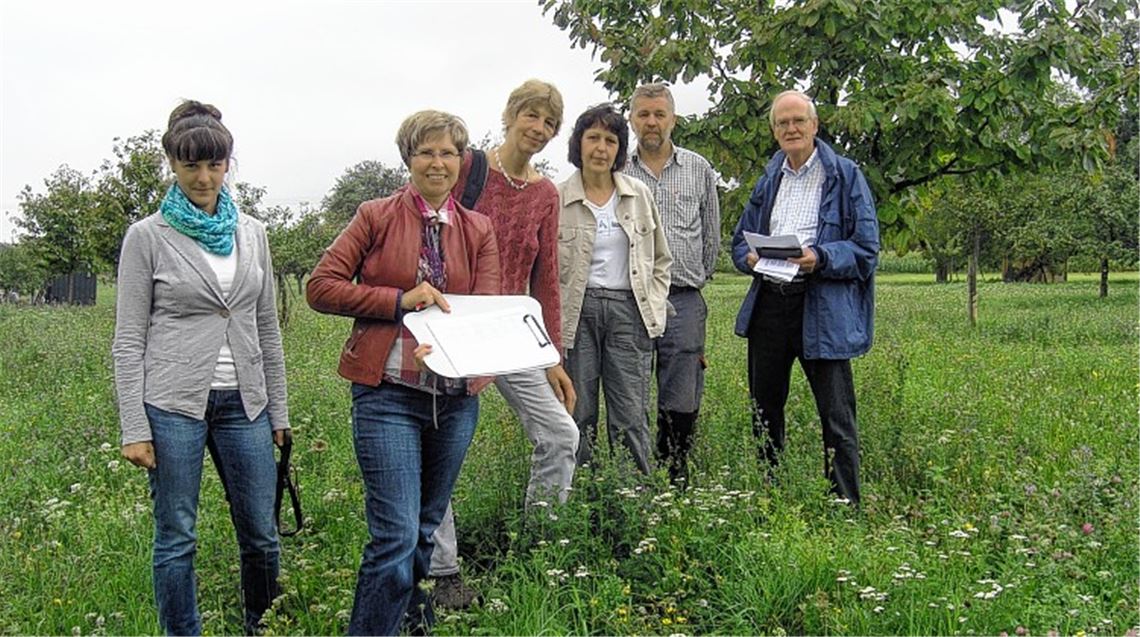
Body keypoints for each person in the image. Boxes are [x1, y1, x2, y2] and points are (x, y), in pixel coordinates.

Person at [306, 110, 499, 636]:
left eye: (448, 153)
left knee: (422, 531)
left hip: (455, 399)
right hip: (389, 395)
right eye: (426, 152)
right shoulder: (374, 215)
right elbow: (320, 287)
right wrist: (398, 302)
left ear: (462, 161)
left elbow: (484, 309)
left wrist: (455, 349)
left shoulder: (479, 229)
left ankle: (411, 626)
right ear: (408, 160)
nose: (438, 163)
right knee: (393, 538)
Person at [112, 100, 290, 636]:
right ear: (172, 164)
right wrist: (133, 426)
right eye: (191, 166)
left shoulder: (252, 233)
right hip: (172, 405)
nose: (204, 177)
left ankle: (262, 625)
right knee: (177, 535)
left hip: (246, 403)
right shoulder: (148, 236)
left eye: (215, 165)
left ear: (228, 165)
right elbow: (126, 338)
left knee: (261, 532)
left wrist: (278, 409)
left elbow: (267, 328)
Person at [427, 79, 578, 610]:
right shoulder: (470, 168)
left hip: (510, 330)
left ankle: (541, 545)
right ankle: (442, 570)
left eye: (549, 123)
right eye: (531, 116)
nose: (537, 129)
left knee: (561, 433)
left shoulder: (545, 194)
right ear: (510, 115)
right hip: (455, 322)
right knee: (441, 443)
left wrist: (551, 357)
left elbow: (547, 277)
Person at [730, 90, 879, 507]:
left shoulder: (846, 175)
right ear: (774, 131)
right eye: (783, 123)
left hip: (822, 308)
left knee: (836, 417)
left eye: (799, 121)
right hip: (770, 306)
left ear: (814, 125)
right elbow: (738, 244)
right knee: (764, 412)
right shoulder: (768, 180)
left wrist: (822, 257)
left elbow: (867, 250)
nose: (791, 129)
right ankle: (770, 497)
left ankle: (845, 506)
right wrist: (752, 257)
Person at [558, 104, 672, 475]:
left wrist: (652, 304)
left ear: (620, 149)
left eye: (610, 140)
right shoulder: (557, 198)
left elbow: (660, 260)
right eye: (593, 138)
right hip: (577, 314)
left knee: (630, 414)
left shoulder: (637, 194)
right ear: (579, 144)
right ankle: (578, 500)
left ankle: (634, 503)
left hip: (628, 311)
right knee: (578, 411)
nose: (601, 148)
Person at [624, 82, 721, 485]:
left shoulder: (699, 168)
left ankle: (675, 477)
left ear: (673, 120)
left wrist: (694, 276)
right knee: (629, 392)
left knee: (681, 394)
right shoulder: (616, 169)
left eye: (659, 114)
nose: (651, 122)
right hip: (627, 301)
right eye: (643, 114)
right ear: (631, 119)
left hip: (683, 299)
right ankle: (633, 477)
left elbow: (712, 236)